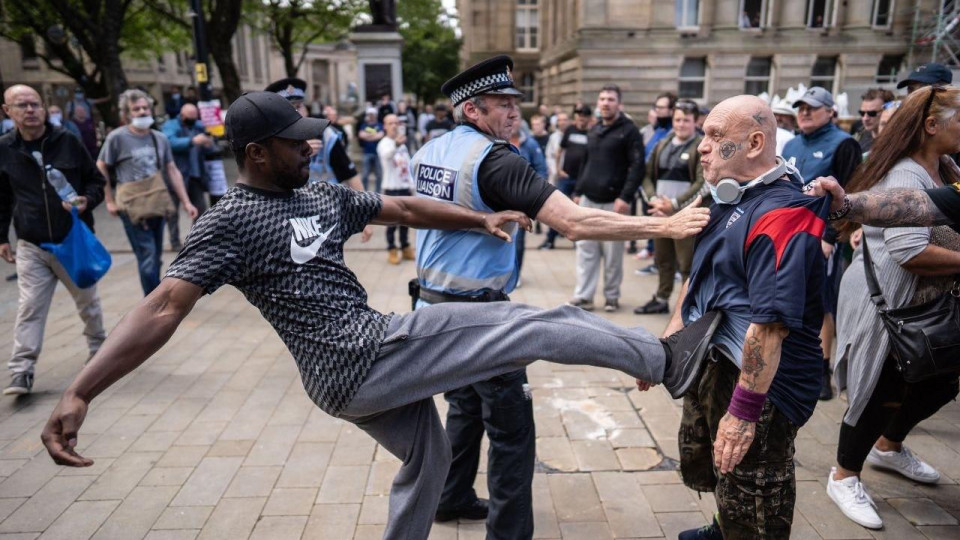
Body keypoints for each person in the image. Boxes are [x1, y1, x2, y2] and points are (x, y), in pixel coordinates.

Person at [41, 90, 716, 540]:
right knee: (531, 326)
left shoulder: (320, 195)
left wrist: (478, 216)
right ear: (255, 154)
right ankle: (665, 359)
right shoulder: (232, 221)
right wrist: (80, 390)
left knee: (427, 461)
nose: (312, 150)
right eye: (296, 144)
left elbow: (403, 208)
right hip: (367, 355)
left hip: (347, 381)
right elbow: (162, 304)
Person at [410, 56, 714, 539]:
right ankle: (508, 533)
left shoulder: (430, 150)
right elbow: (574, 222)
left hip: (430, 309)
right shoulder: (495, 160)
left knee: (465, 406)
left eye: (516, 103)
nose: (515, 113)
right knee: (511, 427)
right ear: (472, 110)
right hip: (480, 318)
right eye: (503, 105)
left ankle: (451, 497)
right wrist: (664, 225)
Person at [639, 95, 832, 540]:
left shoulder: (783, 214)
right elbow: (699, 274)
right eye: (704, 135)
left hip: (765, 385)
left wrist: (744, 412)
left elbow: (769, 328)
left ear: (755, 142)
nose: (702, 147)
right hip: (719, 356)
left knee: (755, 486)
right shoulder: (729, 192)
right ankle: (722, 526)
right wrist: (671, 344)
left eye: (715, 136)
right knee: (723, 471)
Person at [824, 85, 960, 530]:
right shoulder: (906, 175)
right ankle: (843, 476)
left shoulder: (944, 165)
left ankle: (888, 446)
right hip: (887, 306)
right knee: (879, 389)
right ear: (931, 126)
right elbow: (909, 250)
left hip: (922, 305)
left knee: (939, 383)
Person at [0, 84, 106, 396]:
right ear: (8, 112)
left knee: (88, 303)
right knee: (30, 306)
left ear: (44, 109)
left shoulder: (67, 141)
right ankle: (21, 371)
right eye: (21, 105)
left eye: (34, 103)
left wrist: (87, 199)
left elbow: (96, 181)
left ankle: (99, 354)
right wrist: (2, 237)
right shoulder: (5, 148)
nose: (29, 110)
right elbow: (2, 198)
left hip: (72, 240)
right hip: (31, 244)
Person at [782, 86, 862, 400]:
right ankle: (790, 361)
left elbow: (851, 193)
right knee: (791, 297)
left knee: (821, 303)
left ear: (830, 112)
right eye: (800, 107)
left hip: (822, 237)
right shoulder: (792, 143)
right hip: (789, 235)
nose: (804, 112)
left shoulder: (843, 145)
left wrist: (831, 237)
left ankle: (821, 371)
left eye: (812, 108)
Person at [97, 89, 198, 296]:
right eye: (136, 109)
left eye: (145, 107)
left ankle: (152, 297)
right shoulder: (117, 138)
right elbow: (101, 166)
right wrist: (109, 200)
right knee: (148, 255)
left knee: (156, 255)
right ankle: (153, 299)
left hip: (156, 201)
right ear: (127, 114)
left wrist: (186, 202)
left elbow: (172, 170)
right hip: (132, 205)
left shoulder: (159, 138)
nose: (142, 112)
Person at [568, 84, 644, 312]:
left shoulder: (629, 131)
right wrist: (578, 192)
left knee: (612, 256)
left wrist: (625, 196)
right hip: (588, 200)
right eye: (602, 99)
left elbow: (638, 166)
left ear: (619, 104)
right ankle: (584, 297)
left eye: (610, 99)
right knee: (586, 252)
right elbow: (586, 164)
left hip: (614, 203)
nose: (605, 103)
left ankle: (611, 297)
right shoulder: (594, 129)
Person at [637, 99, 706, 315]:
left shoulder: (701, 146)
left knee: (687, 264)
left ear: (695, 122)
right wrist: (653, 200)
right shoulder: (662, 144)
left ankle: (688, 308)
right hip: (661, 214)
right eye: (677, 119)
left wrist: (674, 204)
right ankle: (661, 298)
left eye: (686, 120)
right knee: (663, 260)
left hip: (687, 215)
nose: (681, 124)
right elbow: (646, 175)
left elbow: (702, 183)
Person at [264, 78, 364, 191]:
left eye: (299, 106)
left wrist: (366, 206)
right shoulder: (269, 141)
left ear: (306, 110)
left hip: (327, 204)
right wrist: (297, 155)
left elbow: (350, 175)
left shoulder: (326, 135)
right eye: (288, 108)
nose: (296, 113)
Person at [162, 103, 217, 250]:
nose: (193, 120)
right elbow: (169, 142)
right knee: (172, 211)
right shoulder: (171, 125)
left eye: (195, 117)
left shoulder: (199, 126)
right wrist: (192, 141)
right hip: (177, 175)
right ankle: (174, 242)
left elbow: (211, 145)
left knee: (200, 209)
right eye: (189, 117)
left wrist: (208, 143)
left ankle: (195, 240)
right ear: (182, 115)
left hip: (195, 174)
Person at [541, 106, 589, 250]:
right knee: (557, 209)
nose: (580, 118)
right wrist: (559, 169)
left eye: (583, 116)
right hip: (565, 177)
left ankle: (578, 242)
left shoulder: (592, 133)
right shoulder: (570, 130)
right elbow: (559, 151)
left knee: (580, 211)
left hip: (582, 179)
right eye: (578, 115)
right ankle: (550, 240)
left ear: (588, 118)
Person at [378, 114, 414, 264]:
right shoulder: (384, 143)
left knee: (406, 221)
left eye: (396, 123)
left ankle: (405, 247)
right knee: (391, 223)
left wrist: (412, 186)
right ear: (385, 126)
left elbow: (407, 165)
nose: (394, 125)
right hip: (391, 189)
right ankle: (392, 250)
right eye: (390, 123)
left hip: (404, 187)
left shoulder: (403, 145)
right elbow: (387, 156)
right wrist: (396, 145)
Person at [853, 89, 895, 153]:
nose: (865, 118)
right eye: (862, 113)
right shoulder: (859, 136)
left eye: (872, 113)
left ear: (886, 111)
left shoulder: (897, 141)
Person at [358, 107, 385, 191]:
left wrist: (367, 136)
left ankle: (378, 192)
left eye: (372, 114)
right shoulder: (364, 125)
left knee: (379, 175)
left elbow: (380, 135)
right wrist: (374, 136)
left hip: (378, 153)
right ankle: (364, 192)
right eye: (369, 114)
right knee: (365, 175)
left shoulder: (380, 125)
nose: (371, 116)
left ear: (375, 115)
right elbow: (361, 135)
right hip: (367, 152)